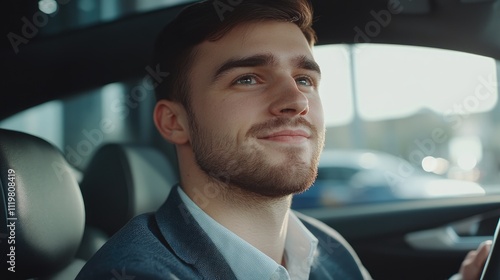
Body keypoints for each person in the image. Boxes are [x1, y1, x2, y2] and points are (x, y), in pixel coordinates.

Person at [76, 0, 490, 279]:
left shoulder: (321, 246)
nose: (295, 101)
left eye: (305, 79)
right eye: (248, 78)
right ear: (174, 122)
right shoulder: (138, 273)